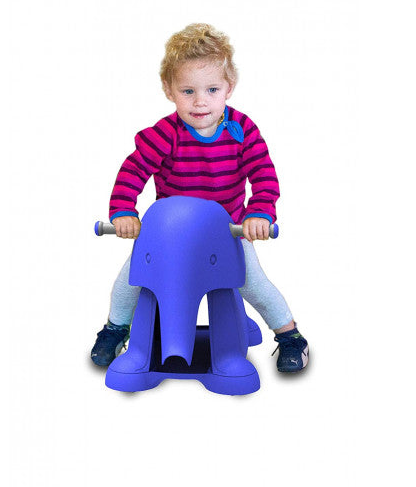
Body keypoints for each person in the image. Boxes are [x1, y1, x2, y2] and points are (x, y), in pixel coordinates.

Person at [91, 23, 309, 372]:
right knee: (130, 281)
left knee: (253, 284)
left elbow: (264, 176)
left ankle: (290, 336)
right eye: (188, 90)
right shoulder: (164, 134)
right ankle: (115, 329)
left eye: (211, 89)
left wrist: (259, 214)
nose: (200, 101)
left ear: (229, 88)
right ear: (169, 90)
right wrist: (123, 211)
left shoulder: (242, 130)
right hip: (168, 237)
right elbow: (133, 171)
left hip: (227, 234)